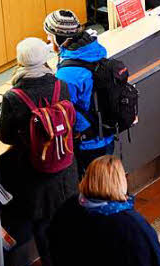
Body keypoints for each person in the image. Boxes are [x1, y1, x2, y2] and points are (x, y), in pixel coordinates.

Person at [0, 38, 78, 266]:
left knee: (43, 225)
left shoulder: (14, 96)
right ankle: (75, 264)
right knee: (68, 218)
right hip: (65, 166)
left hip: (35, 173)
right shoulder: (59, 85)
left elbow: (5, 135)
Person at [44, 10, 115, 174]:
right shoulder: (94, 50)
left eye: (50, 35)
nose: (48, 39)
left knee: (94, 188)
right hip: (107, 131)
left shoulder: (67, 74)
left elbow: (67, 110)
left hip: (89, 141)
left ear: (60, 38)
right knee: (107, 181)